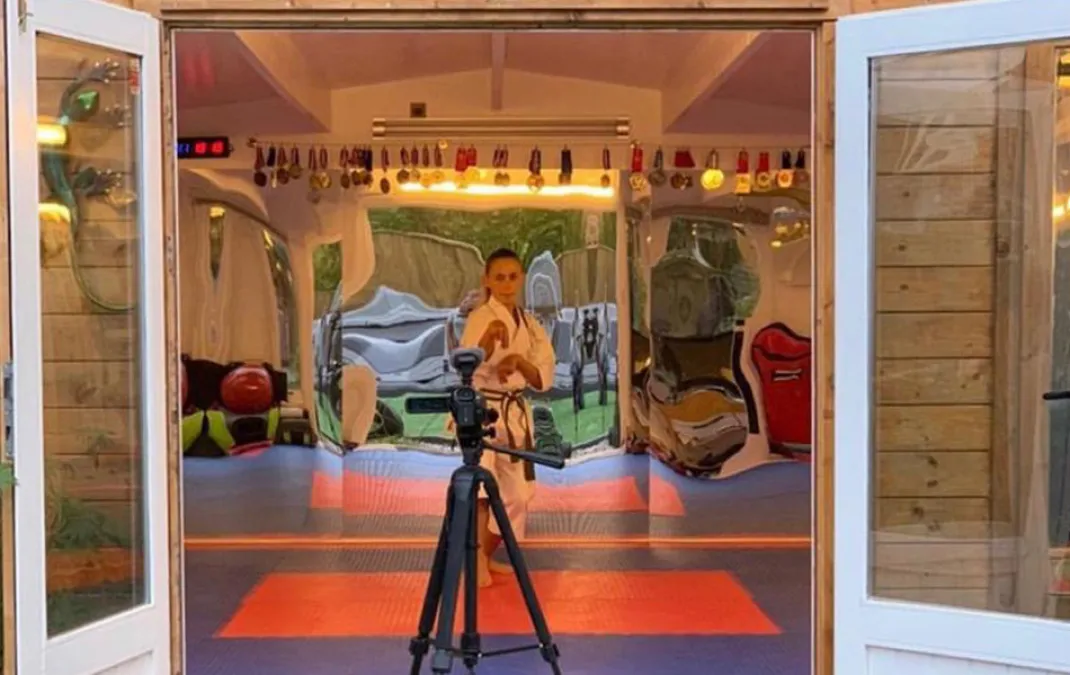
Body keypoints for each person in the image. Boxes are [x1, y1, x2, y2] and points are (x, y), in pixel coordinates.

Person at [458, 247, 556, 587]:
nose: (507, 284)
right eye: (499, 277)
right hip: (483, 411)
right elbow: (466, 365)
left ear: (522, 278)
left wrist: (519, 362)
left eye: (513, 277)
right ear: (487, 280)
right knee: (481, 490)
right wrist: (488, 339)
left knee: (516, 497)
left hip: (513, 414)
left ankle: (484, 554)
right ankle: (474, 562)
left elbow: (542, 378)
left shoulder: (529, 323)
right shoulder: (480, 317)